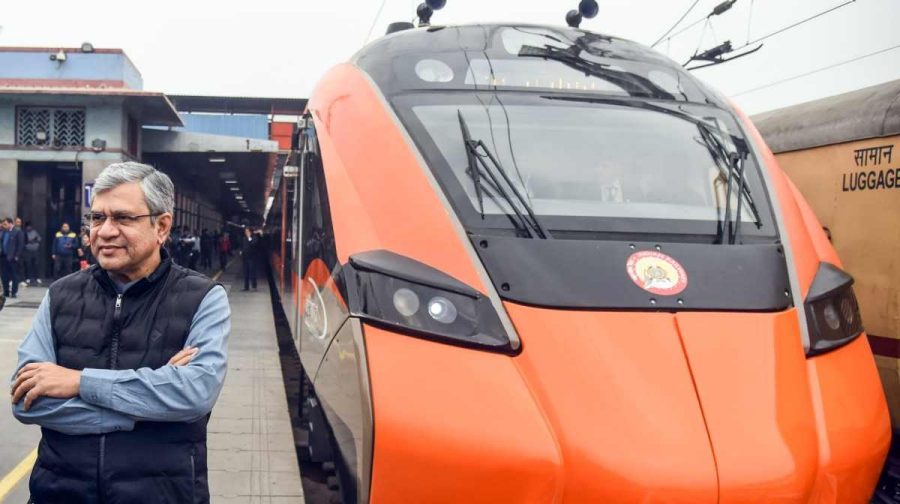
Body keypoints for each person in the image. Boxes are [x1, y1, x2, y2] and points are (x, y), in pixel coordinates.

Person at [10, 161, 230, 503]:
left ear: (162, 226)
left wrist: (79, 382)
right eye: (97, 218)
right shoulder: (60, 295)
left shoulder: (203, 298)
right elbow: (27, 402)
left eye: (123, 218)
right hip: (60, 492)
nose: (105, 231)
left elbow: (195, 393)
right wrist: (147, 409)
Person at [1, 217, 25, 298]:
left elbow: (20, 245)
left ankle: (14, 292)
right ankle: (6, 291)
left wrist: (17, 256)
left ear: (10, 223)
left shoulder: (17, 232)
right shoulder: (4, 232)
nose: (4, 226)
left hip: (13, 258)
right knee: (4, 275)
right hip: (3, 257)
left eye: (5, 224)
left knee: (14, 276)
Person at [240, 226, 257, 291]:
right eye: (245, 231)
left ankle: (254, 286)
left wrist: (249, 238)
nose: (246, 233)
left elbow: (253, 245)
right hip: (245, 257)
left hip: (252, 258)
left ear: (250, 232)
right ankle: (246, 287)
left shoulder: (254, 238)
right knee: (245, 272)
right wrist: (241, 251)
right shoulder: (244, 238)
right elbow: (242, 246)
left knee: (252, 272)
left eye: (247, 231)